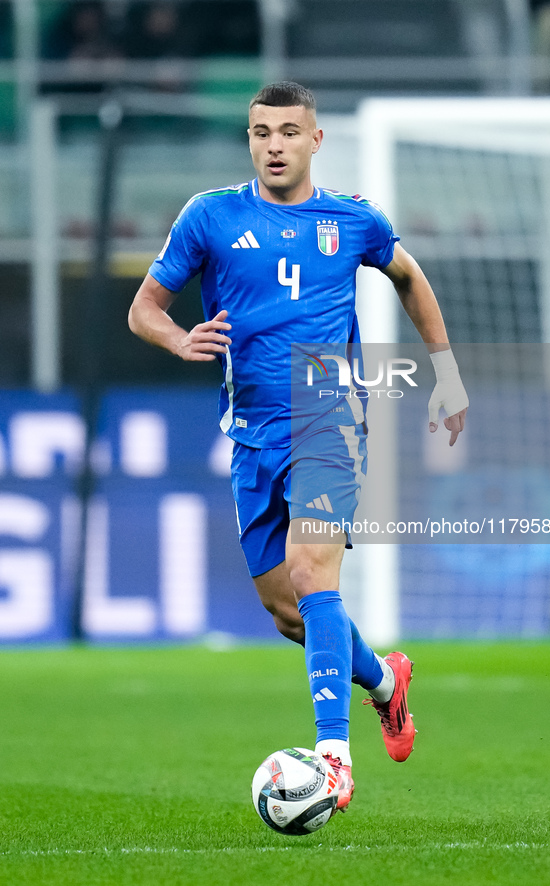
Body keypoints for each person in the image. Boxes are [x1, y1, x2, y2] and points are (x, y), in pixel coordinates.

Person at [128, 81, 468, 813]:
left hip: (329, 415)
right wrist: (178, 336)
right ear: (248, 140)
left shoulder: (352, 219)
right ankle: (384, 680)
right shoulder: (210, 216)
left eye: (287, 131)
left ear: (315, 140)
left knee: (315, 577)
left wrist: (445, 375)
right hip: (250, 431)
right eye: (260, 132)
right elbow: (143, 309)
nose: (273, 144)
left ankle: (332, 759)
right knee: (287, 611)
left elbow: (408, 276)